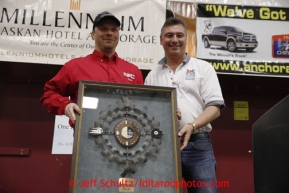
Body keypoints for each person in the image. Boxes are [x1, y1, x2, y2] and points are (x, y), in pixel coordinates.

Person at [145, 17, 225, 193]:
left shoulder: (203, 68)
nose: (174, 39)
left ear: (186, 39)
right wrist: (164, 117)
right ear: (161, 40)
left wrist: (191, 125)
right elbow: (147, 114)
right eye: (169, 35)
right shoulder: (152, 75)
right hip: (161, 146)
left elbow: (215, 108)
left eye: (179, 35)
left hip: (197, 145)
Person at [40, 11, 143, 126]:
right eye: (103, 29)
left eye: (114, 30)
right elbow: (49, 94)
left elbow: (142, 106)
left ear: (118, 35)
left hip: (125, 139)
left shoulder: (133, 71)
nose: (109, 33)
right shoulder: (75, 66)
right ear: (93, 34)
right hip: (85, 138)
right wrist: (66, 105)